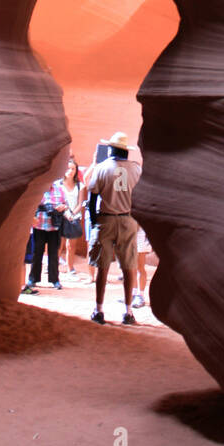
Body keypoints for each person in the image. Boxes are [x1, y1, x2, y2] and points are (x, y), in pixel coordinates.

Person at [82, 131, 142, 325]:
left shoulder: (102, 168)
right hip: (128, 220)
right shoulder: (136, 170)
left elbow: (92, 199)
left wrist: (93, 222)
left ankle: (99, 310)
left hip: (106, 219)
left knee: (103, 266)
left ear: (111, 149)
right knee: (129, 267)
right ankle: (128, 312)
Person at [21, 168, 69, 293]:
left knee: (54, 254)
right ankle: (33, 278)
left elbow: (66, 204)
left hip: (54, 226)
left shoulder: (60, 189)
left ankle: (54, 279)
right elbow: (31, 205)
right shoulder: (38, 191)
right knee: (37, 253)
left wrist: (61, 208)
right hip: (39, 226)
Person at [58, 156, 84, 279]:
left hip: (74, 218)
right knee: (58, 244)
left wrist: (72, 214)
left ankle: (70, 267)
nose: (70, 171)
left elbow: (80, 203)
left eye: (73, 169)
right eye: (68, 168)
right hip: (61, 216)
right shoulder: (58, 184)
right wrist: (65, 212)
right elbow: (57, 201)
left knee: (71, 245)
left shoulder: (80, 186)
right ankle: (53, 267)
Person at [133, 225, 152, 308]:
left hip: (141, 234)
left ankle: (140, 295)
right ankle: (133, 294)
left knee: (140, 266)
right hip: (130, 233)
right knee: (131, 267)